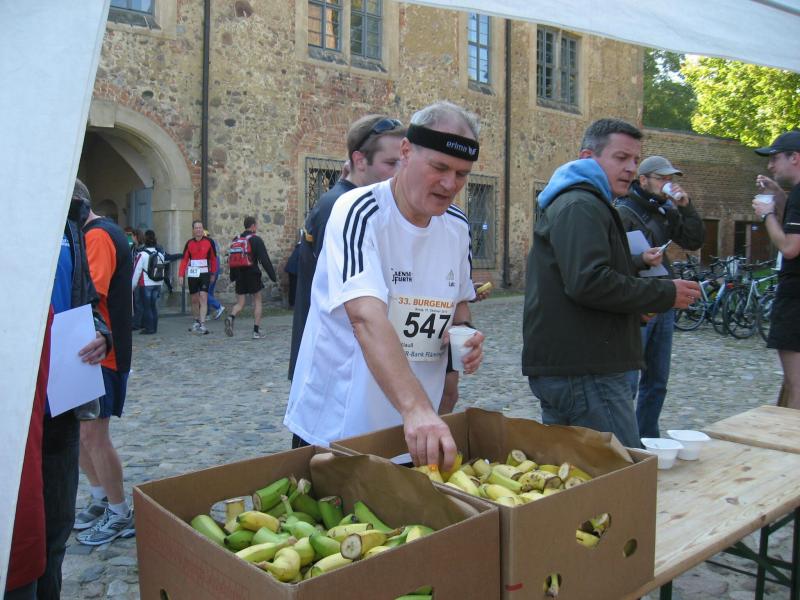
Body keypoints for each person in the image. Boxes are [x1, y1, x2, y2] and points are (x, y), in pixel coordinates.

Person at [284, 101, 485, 470]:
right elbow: (365, 317)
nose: (450, 184)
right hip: (342, 424)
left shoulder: (457, 225)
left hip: (415, 429)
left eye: (462, 174)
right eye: (439, 167)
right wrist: (417, 407)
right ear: (406, 152)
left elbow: (458, 306)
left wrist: (464, 339)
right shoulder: (358, 211)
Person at [521, 118, 701, 448]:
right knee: (619, 471)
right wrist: (664, 292)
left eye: (635, 159)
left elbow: (584, 277)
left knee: (578, 472)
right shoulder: (581, 204)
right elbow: (588, 282)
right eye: (621, 158)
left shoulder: (589, 202)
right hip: (587, 371)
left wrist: (634, 308)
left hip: (581, 365)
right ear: (588, 157)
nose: (631, 168)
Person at [8, 180, 111, 599]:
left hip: (60, 401)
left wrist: (101, 334)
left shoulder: (69, 226)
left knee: (54, 528)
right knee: (17, 538)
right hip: (14, 408)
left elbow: (86, 300)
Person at [288, 114, 406, 379]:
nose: (401, 171)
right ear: (360, 161)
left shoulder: (355, 202)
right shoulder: (341, 207)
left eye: (404, 161)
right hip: (333, 362)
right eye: (391, 163)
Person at [615, 155, 704, 438]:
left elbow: (693, 240)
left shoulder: (666, 209)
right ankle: (625, 440)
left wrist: (686, 207)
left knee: (657, 380)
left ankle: (648, 437)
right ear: (643, 180)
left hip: (664, 299)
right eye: (662, 178)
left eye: (670, 178)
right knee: (629, 381)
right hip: (638, 302)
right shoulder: (623, 210)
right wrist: (640, 259)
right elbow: (613, 261)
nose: (668, 183)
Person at [74, 190, 135, 546]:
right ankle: (100, 498)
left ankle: (119, 511)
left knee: (94, 435)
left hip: (103, 354)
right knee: (81, 433)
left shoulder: (97, 236)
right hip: (89, 351)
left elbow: (90, 295)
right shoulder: (91, 233)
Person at [752, 130, 800, 409]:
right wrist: (780, 196)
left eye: (774, 158)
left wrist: (767, 214)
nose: (770, 165)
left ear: (794, 158)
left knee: (796, 386)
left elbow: (791, 247)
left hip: (795, 299)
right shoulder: (796, 196)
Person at [223, 216, 278, 339]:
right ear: (253, 226)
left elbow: (232, 259)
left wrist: (233, 276)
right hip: (252, 274)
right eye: (256, 225)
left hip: (239, 274)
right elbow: (264, 260)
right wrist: (273, 276)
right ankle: (256, 331)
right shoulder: (256, 240)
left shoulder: (236, 239)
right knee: (257, 301)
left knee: (240, 303)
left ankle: (231, 317)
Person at [178, 221, 217, 335]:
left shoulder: (209, 242)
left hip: (204, 273)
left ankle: (203, 324)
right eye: (196, 228)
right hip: (193, 274)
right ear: (193, 230)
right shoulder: (189, 243)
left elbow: (213, 259)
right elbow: (184, 260)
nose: (198, 230)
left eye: (200, 227)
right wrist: (181, 275)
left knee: (203, 297)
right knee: (194, 299)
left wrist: (213, 273)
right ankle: (196, 321)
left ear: (202, 229)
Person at [130, 229, 165, 334]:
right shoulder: (160, 254)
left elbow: (137, 271)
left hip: (146, 283)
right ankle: (154, 327)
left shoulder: (142, 255)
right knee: (153, 306)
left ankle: (149, 328)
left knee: (147, 307)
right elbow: (162, 270)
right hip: (157, 283)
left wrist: (132, 286)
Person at [204, 229, 225, 321]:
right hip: (215, 272)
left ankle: (218, 307)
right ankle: (207, 314)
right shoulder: (214, 244)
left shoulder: (208, 245)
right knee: (209, 293)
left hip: (210, 272)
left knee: (203, 293)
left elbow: (210, 261)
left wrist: (211, 273)